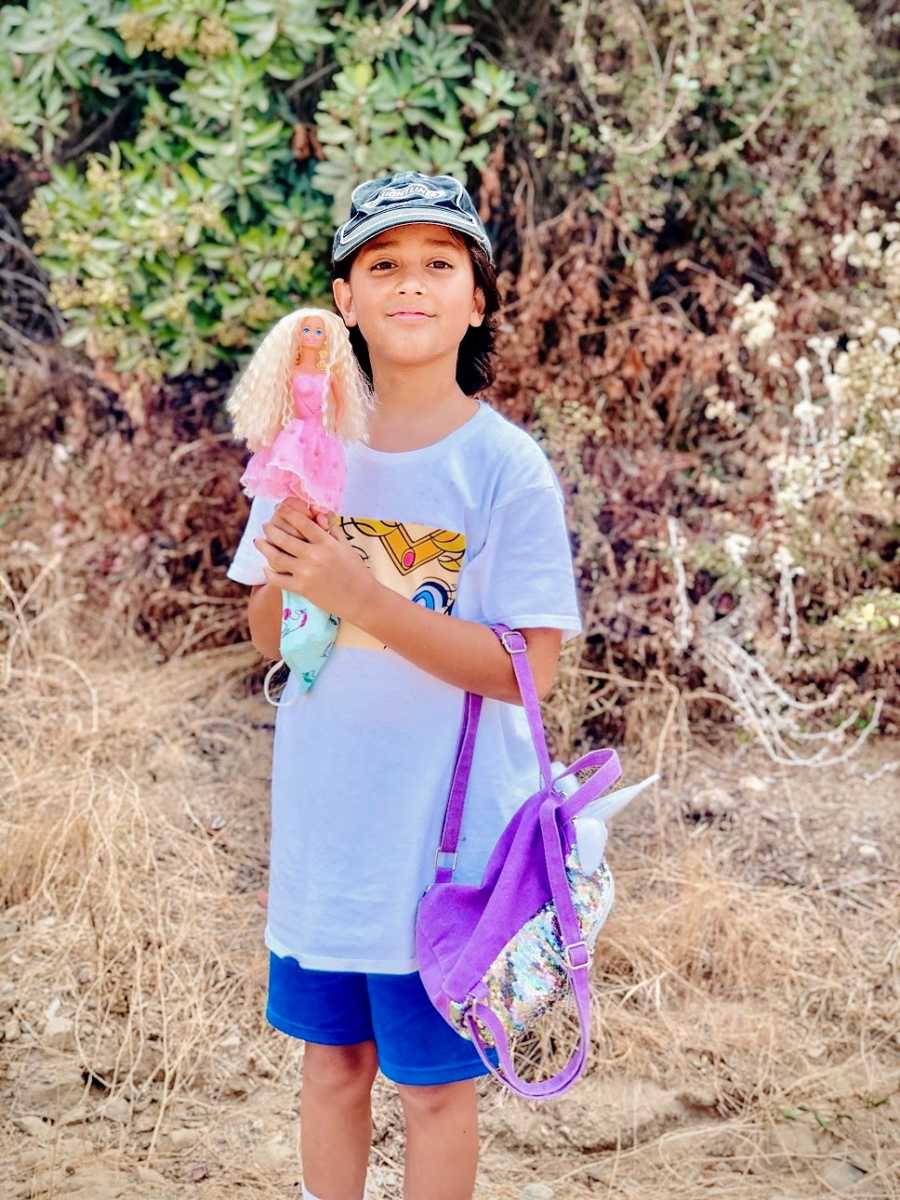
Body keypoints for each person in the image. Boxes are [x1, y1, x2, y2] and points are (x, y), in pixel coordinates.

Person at [226, 171, 583, 1200]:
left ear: (478, 298)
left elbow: (532, 670)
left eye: (440, 264)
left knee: (433, 1091)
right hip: (326, 836)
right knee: (331, 1067)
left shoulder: (504, 469)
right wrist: (298, 557)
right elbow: (270, 640)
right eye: (383, 265)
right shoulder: (310, 453)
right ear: (344, 300)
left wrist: (364, 595)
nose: (411, 285)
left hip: (445, 851)